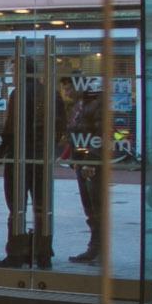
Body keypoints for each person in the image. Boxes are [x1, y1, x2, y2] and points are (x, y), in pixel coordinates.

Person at [0, 57, 55, 269]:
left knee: (17, 208)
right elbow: (60, 125)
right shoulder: (50, 92)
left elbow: (11, 129)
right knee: (42, 208)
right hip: (41, 158)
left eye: (13, 69)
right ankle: (43, 255)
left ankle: (16, 254)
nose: (11, 73)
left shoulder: (18, 94)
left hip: (20, 158)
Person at [61, 77, 104, 265]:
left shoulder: (96, 103)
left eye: (69, 89)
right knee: (89, 207)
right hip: (81, 161)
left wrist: (91, 160)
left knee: (96, 207)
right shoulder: (79, 105)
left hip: (91, 162)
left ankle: (97, 249)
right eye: (65, 89)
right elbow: (76, 131)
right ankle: (95, 248)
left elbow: (101, 132)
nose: (67, 93)